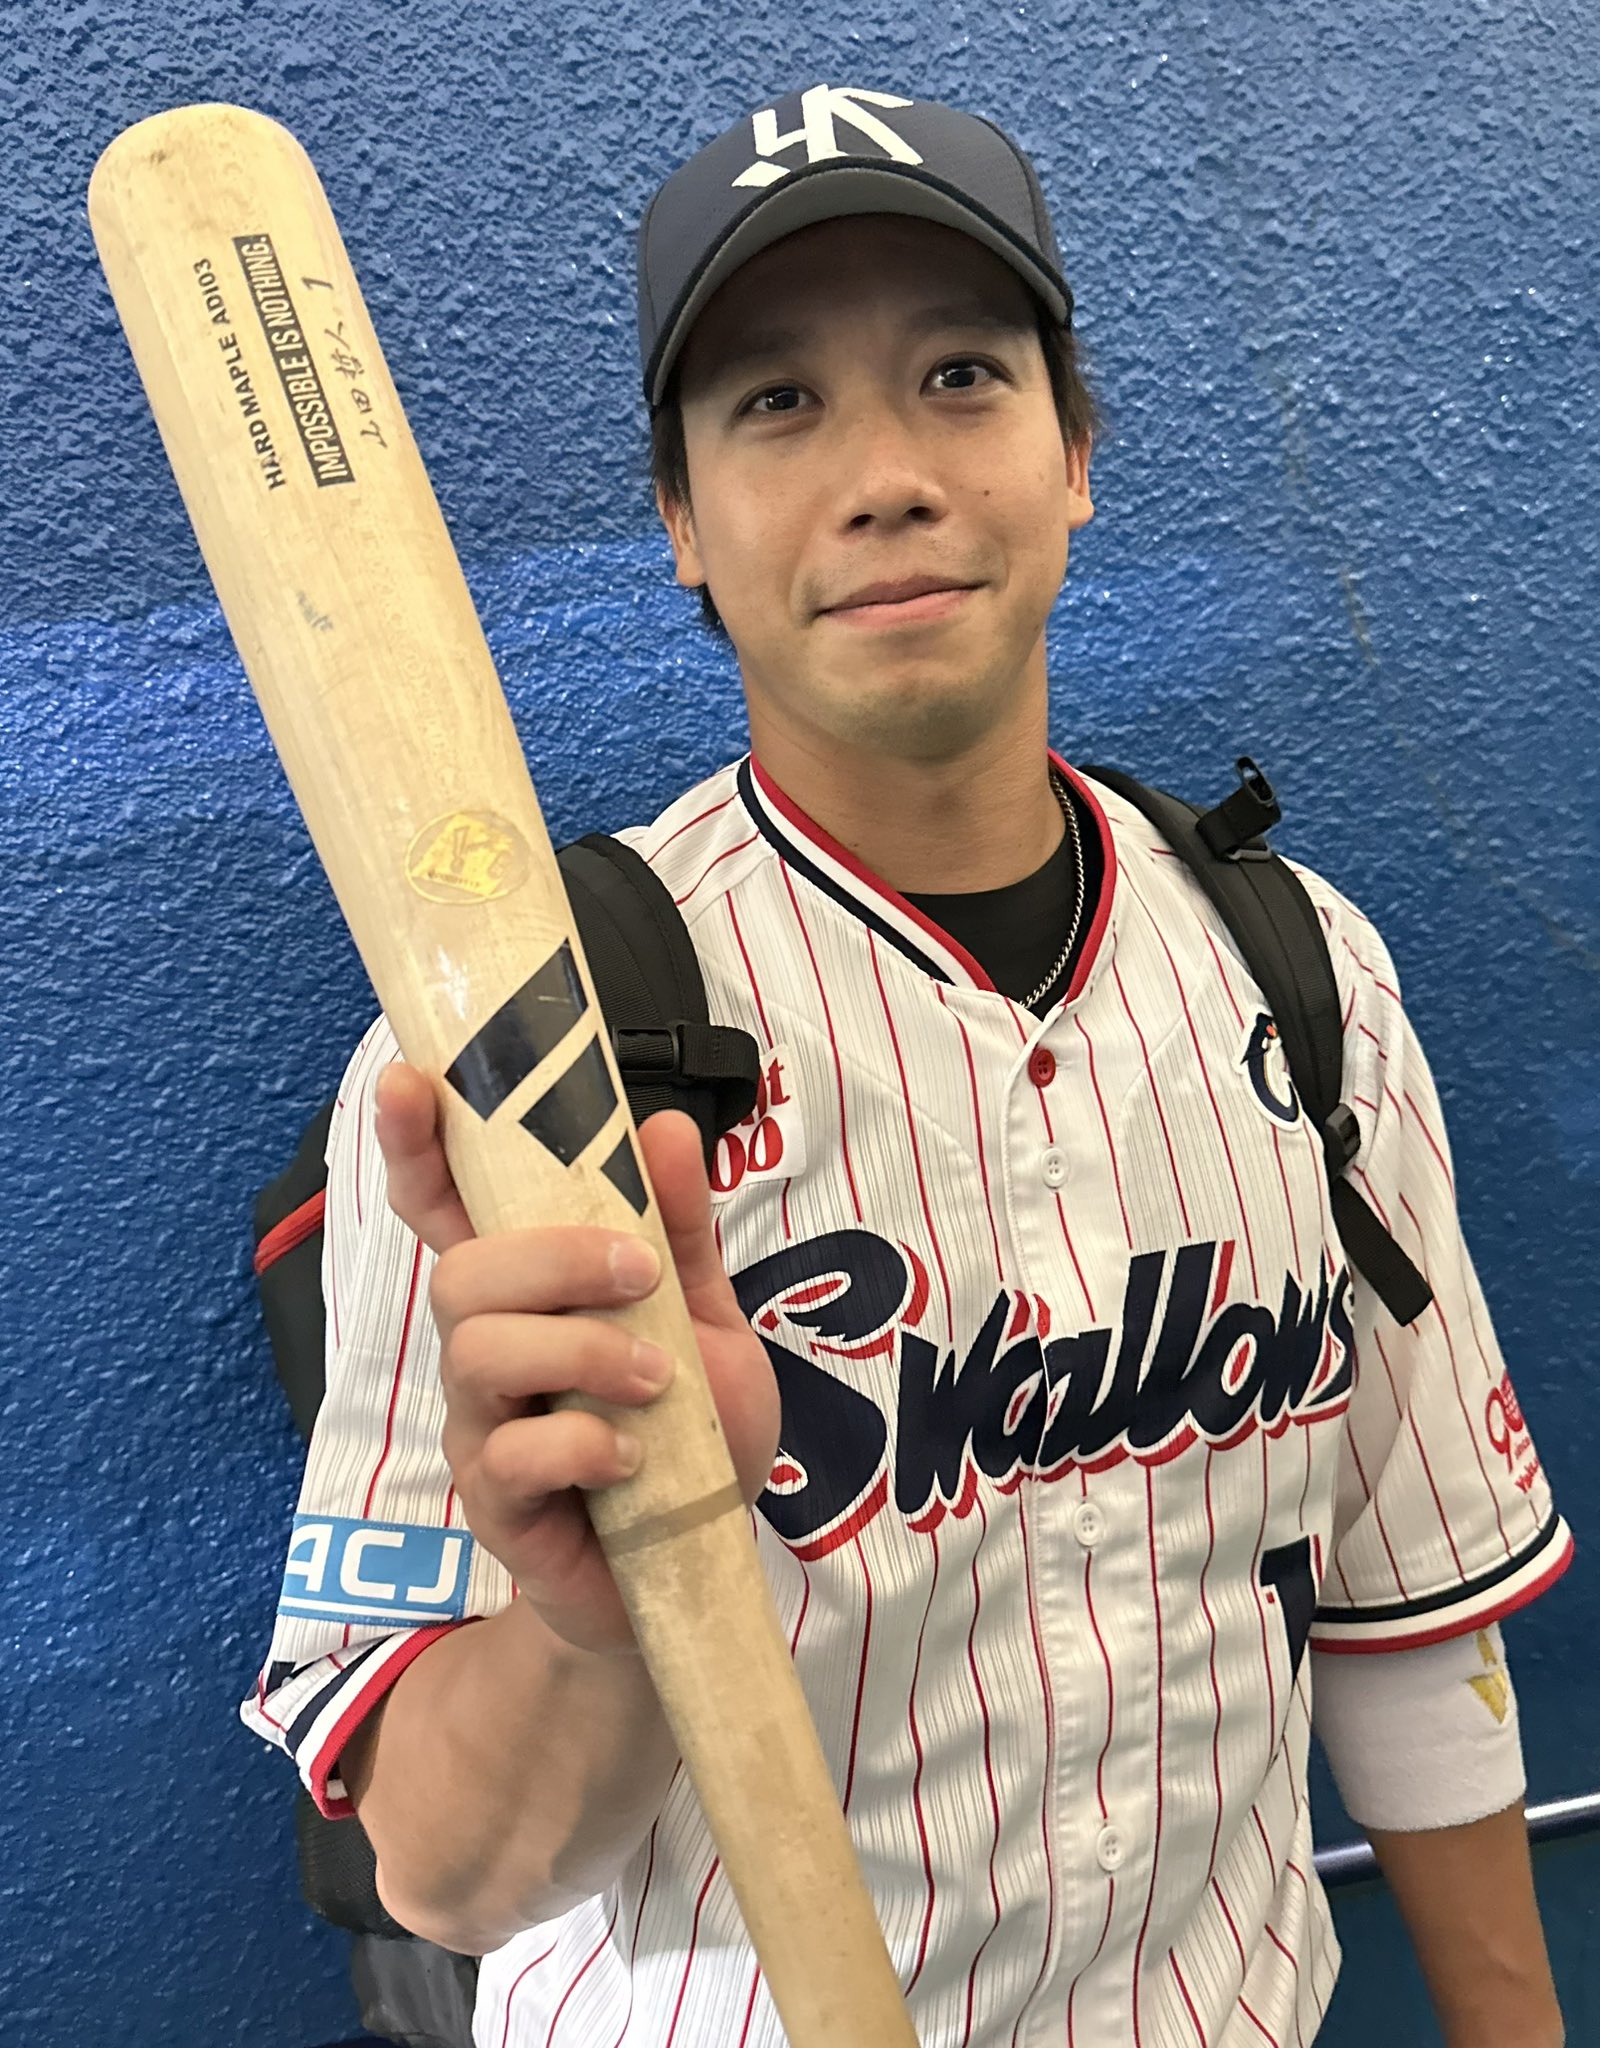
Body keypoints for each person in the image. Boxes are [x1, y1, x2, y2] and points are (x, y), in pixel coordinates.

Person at [242, 85, 1574, 2046]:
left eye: (959, 375)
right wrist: (603, 1609)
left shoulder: (1304, 971)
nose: (883, 476)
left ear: (1073, 452)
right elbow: (439, 1872)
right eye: (776, 402)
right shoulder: (513, 1049)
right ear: (682, 525)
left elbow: (1409, 1605)